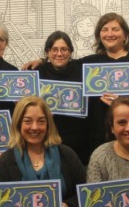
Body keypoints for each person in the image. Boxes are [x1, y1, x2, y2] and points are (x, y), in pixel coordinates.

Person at [81, 13, 129, 160]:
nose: (109, 34)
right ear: (99, 35)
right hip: (98, 140)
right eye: (105, 30)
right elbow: (63, 65)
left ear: (125, 35)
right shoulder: (89, 63)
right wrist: (41, 60)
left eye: (115, 29)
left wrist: (121, 101)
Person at [36, 31, 89, 163]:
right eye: (54, 49)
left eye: (64, 49)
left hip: (78, 140)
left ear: (70, 52)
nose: (59, 54)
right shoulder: (36, 73)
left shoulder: (83, 72)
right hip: (44, 139)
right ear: (47, 52)